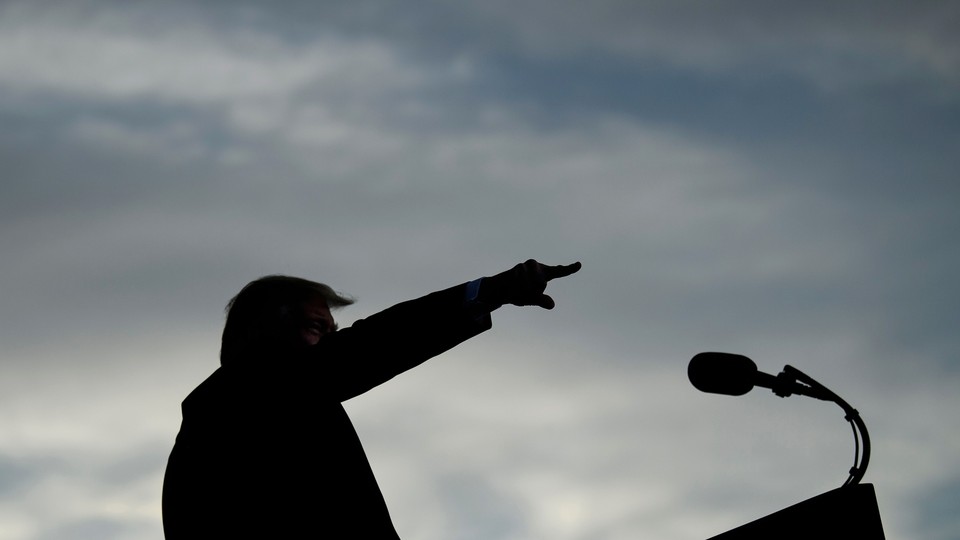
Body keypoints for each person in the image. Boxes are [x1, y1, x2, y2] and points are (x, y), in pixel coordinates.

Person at [161, 259, 581, 539]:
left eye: (331, 331)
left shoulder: (260, 404)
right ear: (261, 329)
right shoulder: (245, 392)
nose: (331, 341)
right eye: (315, 327)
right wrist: (488, 291)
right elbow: (371, 344)